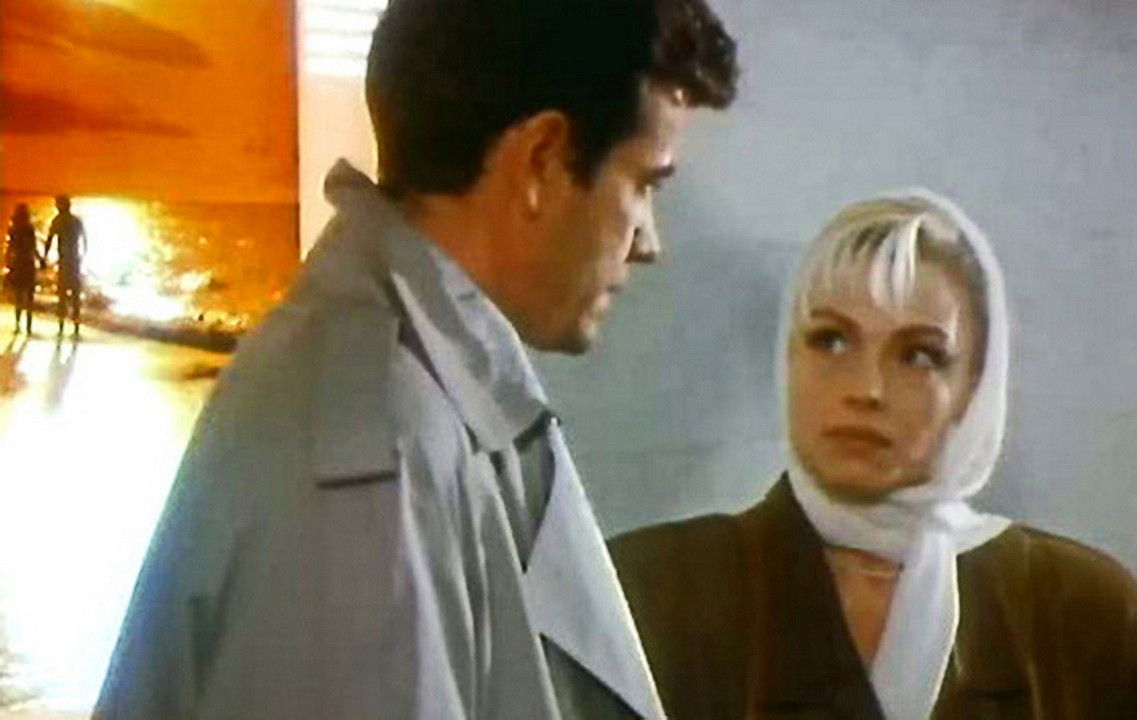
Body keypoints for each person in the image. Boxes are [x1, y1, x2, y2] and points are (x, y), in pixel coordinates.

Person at [94, 0, 737, 718]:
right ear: (541, 160)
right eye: (644, 184)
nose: (650, 242)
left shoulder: (403, 393)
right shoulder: (379, 454)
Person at [610, 192, 1137, 720]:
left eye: (919, 356)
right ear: (789, 358)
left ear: (973, 387)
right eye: (831, 340)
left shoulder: (1087, 617)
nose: (867, 389)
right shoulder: (648, 594)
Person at [43, 194, 86, 336]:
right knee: (75, 293)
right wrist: (82, 256)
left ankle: (61, 327)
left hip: (63, 260)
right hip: (75, 260)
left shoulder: (57, 220)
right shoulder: (76, 221)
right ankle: (76, 325)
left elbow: (50, 239)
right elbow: (84, 239)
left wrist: (44, 257)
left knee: (62, 293)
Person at [5, 204, 39, 334]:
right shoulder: (30, 228)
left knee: (18, 295)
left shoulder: (13, 229)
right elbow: (33, 247)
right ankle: (29, 326)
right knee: (30, 296)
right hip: (28, 262)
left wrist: (7, 261)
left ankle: (18, 325)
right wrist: (41, 259)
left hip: (18, 263)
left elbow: (10, 247)